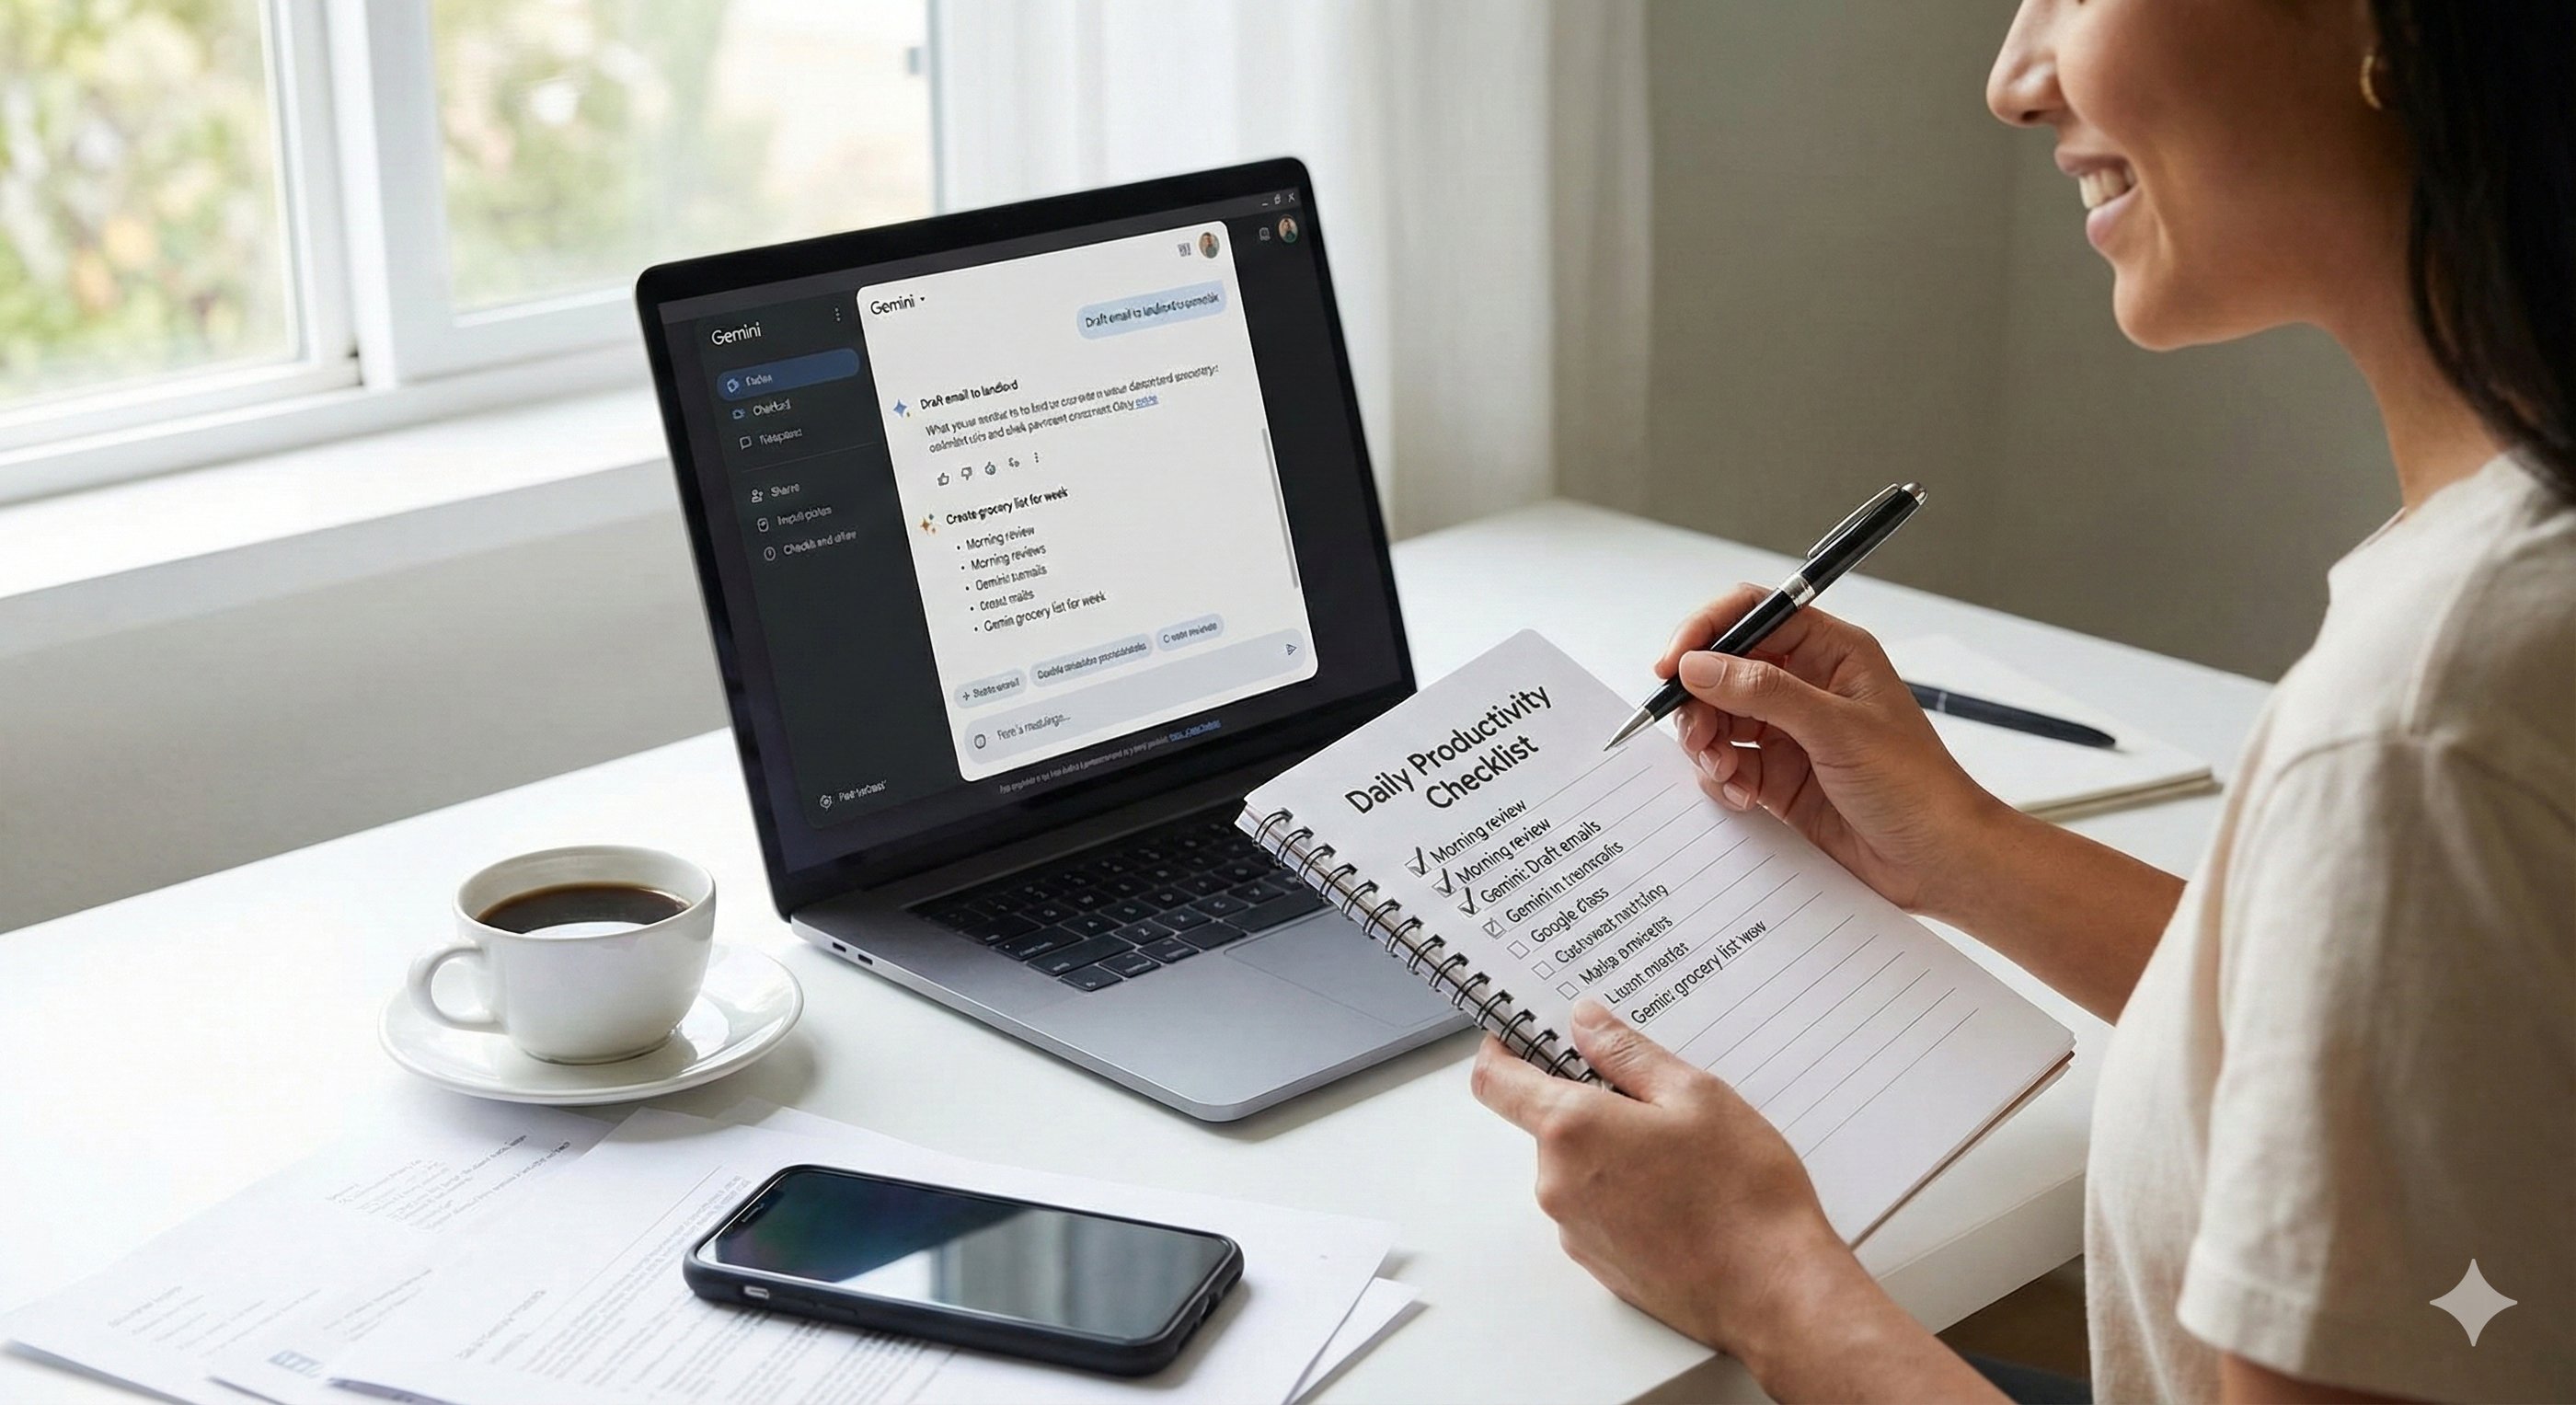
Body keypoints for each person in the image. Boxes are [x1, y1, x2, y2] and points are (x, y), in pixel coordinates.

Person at [1471, 1, 2574, 1400]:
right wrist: (1962, 848)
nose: (2012, 83)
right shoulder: (2501, 587)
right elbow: (2442, 1046)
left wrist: (1765, 1278)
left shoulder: (2427, 723)